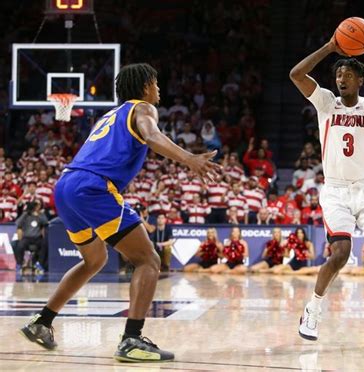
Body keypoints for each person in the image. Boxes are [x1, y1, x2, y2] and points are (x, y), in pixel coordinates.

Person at [20, 63, 220, 362]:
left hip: (66, 186)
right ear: (143, 87)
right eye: (155, 82)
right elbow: (152, 137)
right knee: (149, 260)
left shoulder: (109, 115)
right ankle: (132, 339)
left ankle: (42, 321)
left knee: (94, 260)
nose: (159, 89)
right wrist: (188, 158)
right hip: (93, 187)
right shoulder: (142, 109)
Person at [289, 25, 364, 346]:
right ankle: (313, 309)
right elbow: (296, 74)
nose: (341, 78)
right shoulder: (326, 103)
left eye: (347, 74)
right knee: (340, 252)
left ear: (360, 80)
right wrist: (330, 47)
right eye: (338, 74)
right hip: (337, 191)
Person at [14, 201, 49, 273]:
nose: (37, 207)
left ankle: (39, 265)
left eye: (38, 205)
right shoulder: (26, 215)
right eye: (35, 205)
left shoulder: (41, 214)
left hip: (37, 238)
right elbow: (17, 222)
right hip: (26, 238)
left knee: (44, 244)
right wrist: (26, 213)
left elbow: (46, 222)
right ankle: (20, 264)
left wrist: (38, 215)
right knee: (20, 245)